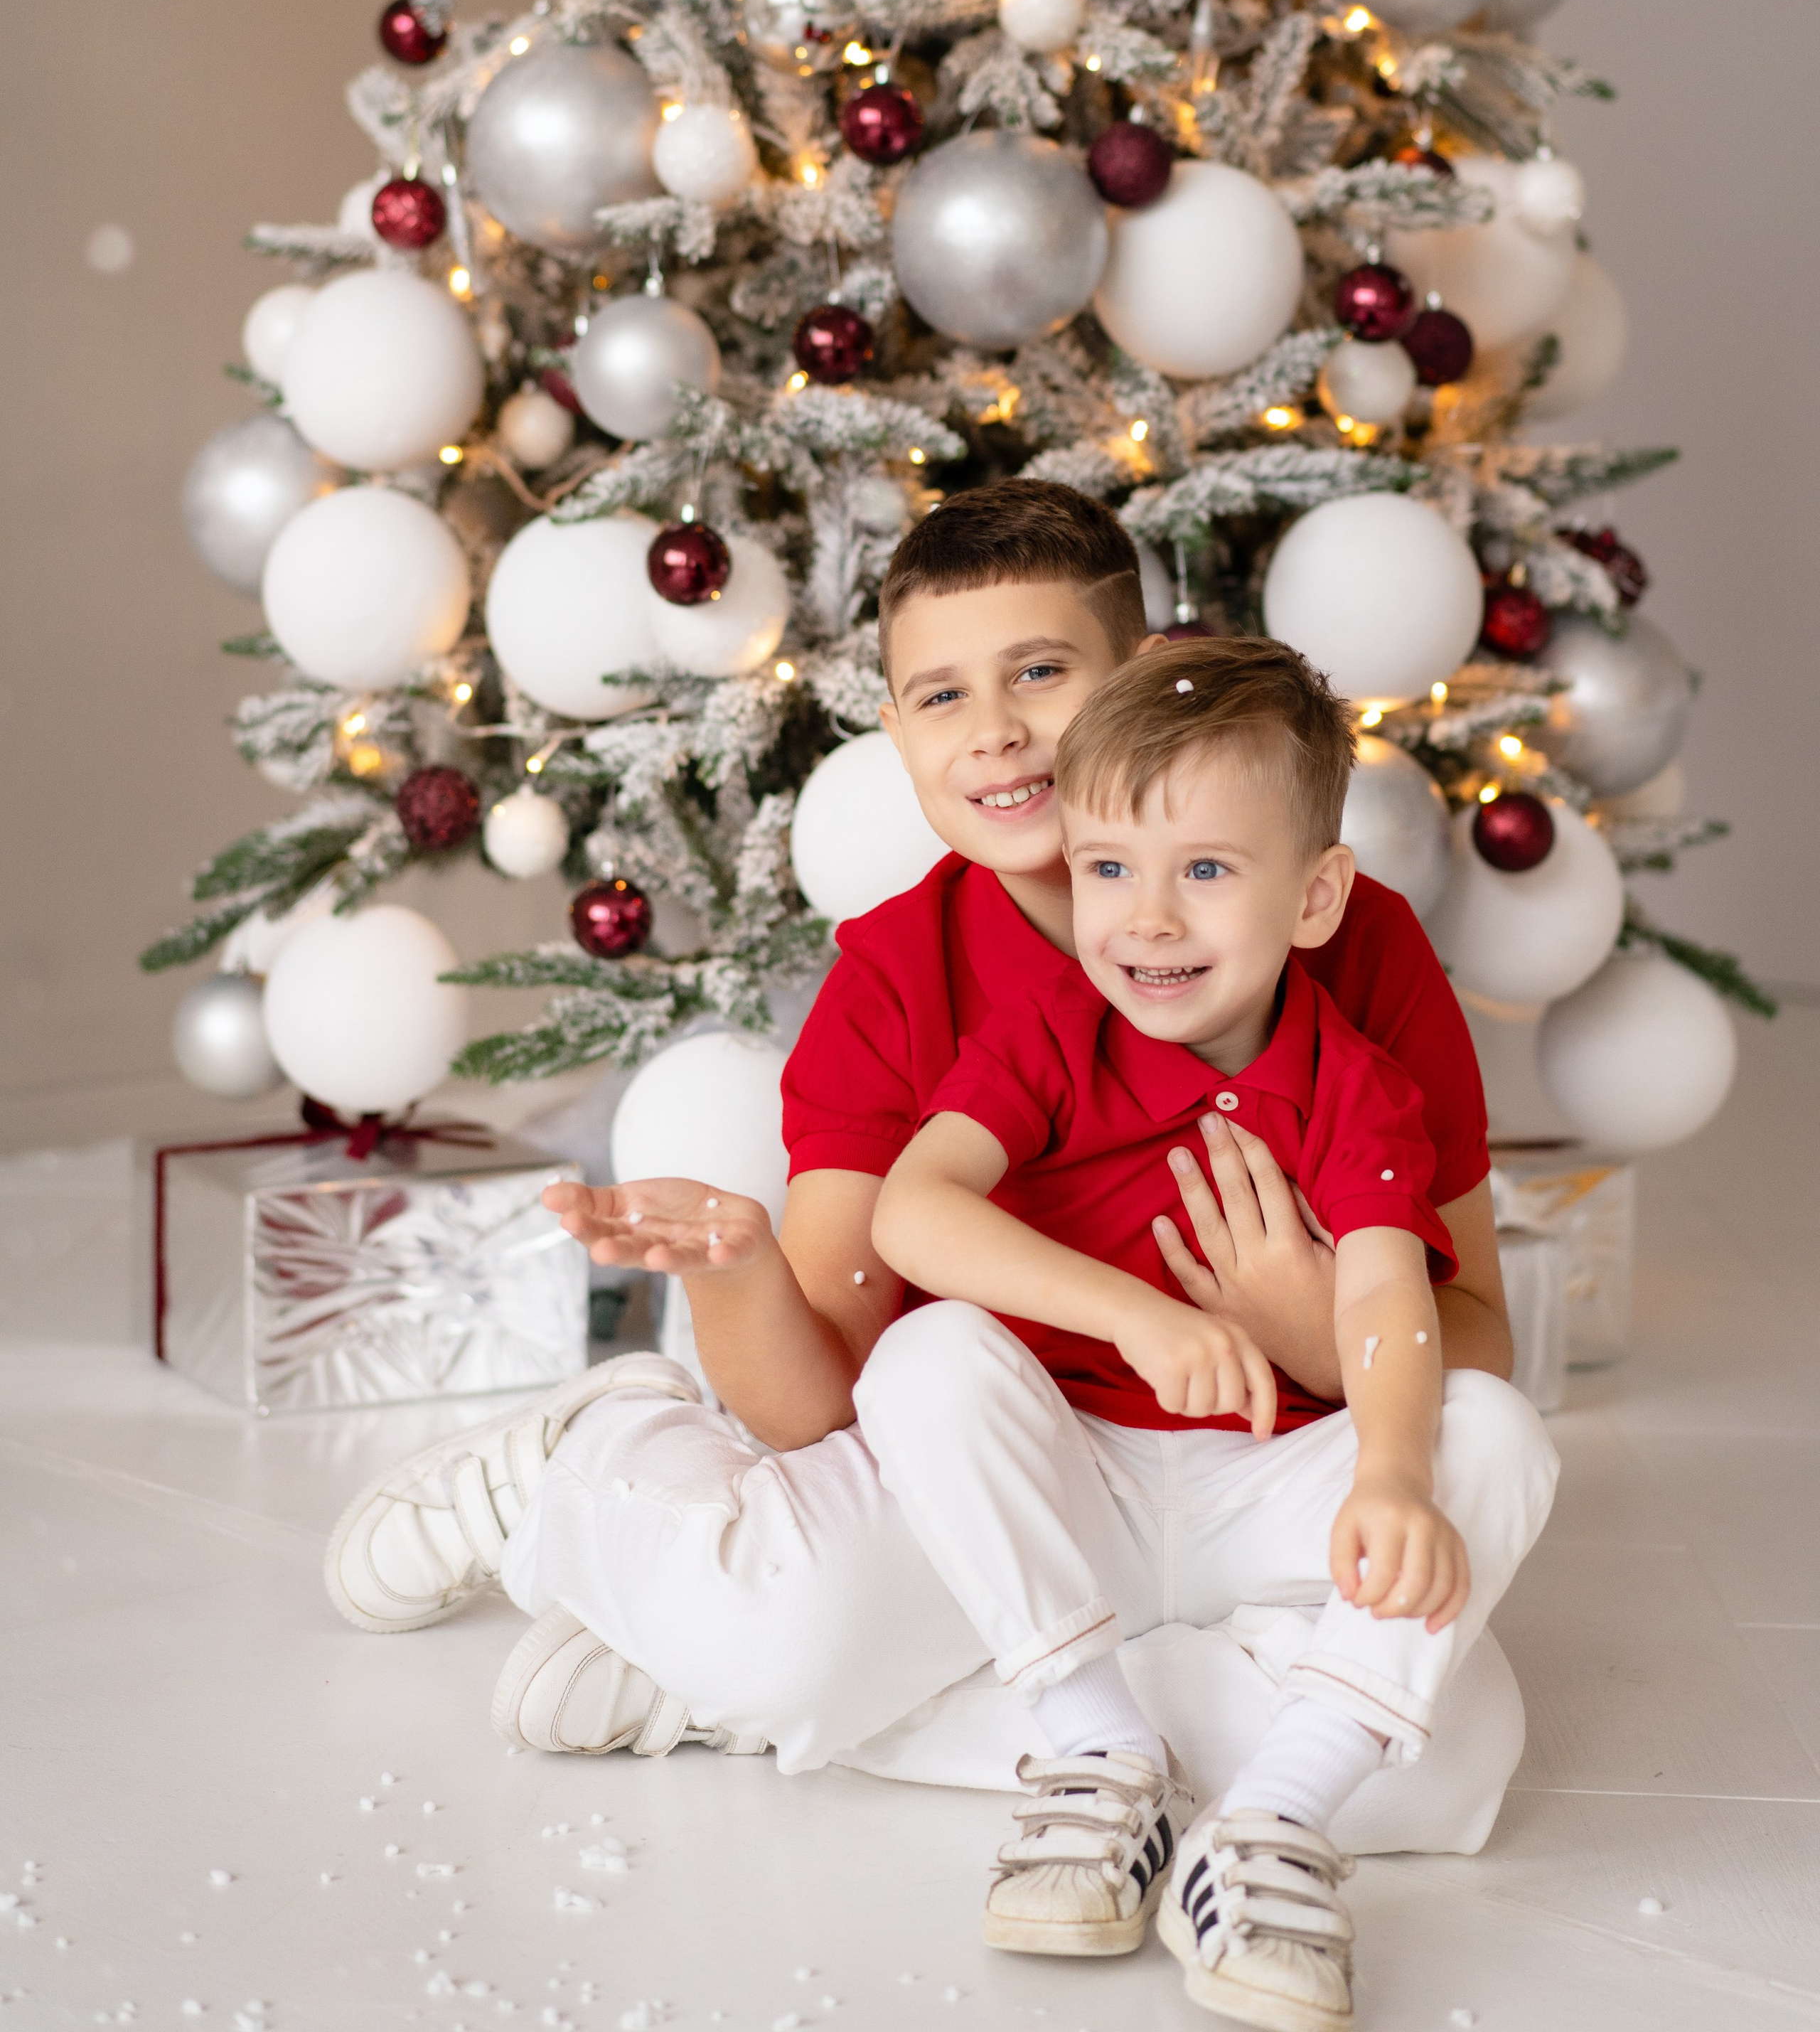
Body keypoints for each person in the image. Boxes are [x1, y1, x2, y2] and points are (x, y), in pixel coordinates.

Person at [322, 483, 1524, 1837]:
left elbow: (1480, 1338)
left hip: (1265, 1485)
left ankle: (815, 1703)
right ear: (896, 733)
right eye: (943, 697)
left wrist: (1308, 1328)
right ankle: (589, 1474)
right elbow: (824, 1400)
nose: (997, 730)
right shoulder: (897, 985)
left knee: (1449, 1763)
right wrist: (736, 1270)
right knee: (779, 1626)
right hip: (999, 1482)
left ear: (1142, 679)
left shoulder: (1352, 940)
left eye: (1041, 673)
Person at [861, 642, 1558, 2021]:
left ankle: (1273, 1823)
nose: (1148, 919)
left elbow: (1385, 1294)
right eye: (1108, 867)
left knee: (1493, 1428)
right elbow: (912, 1212)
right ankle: (1096, 1749)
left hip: (1270, 1497)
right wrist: (1131, 1314)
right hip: (1085, 1485)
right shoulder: (1051, 1033)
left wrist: (1391, 1476)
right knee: (925, 1358)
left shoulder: (1354, 1083)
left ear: (1314, 897)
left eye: (1206, 870)